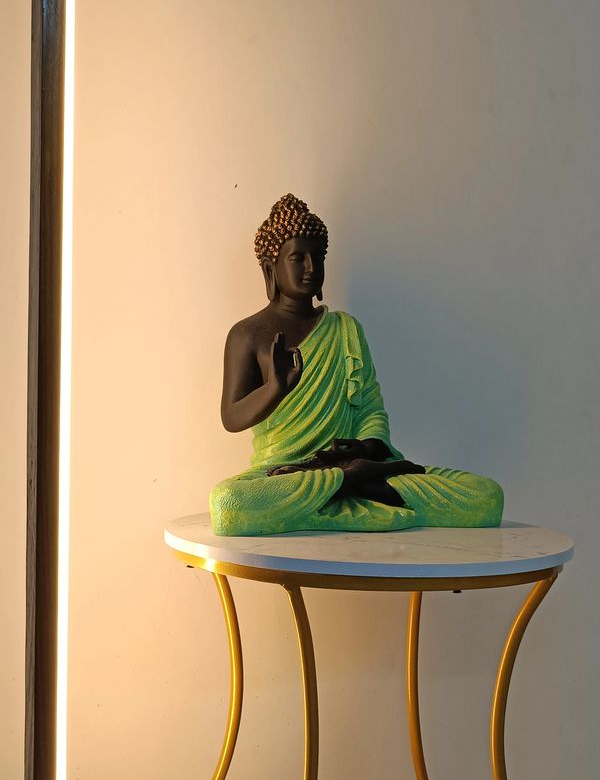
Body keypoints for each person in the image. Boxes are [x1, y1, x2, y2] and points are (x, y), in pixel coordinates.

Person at [210, 194, 503, 535]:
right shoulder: (247, 334)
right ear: (270, 268)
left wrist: (365, 448)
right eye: (298, 258)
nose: (311, 268)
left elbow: (369, 410)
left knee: (486, 495)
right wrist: (274, 389)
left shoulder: (346, 329)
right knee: (228, 503)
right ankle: (349, 484)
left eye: (318, 257)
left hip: (358, 466)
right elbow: (231, 417)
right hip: (283, 474)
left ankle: (340, 486)